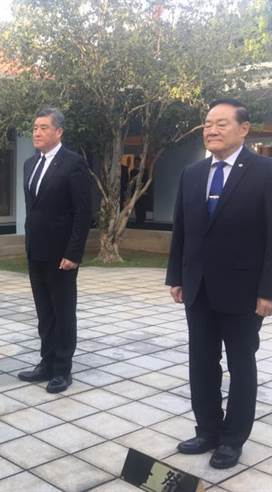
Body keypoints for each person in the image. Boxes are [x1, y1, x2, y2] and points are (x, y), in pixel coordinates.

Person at [166, 98, 272, 469]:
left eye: (221, 123)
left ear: (244, 129)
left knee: (241, 365)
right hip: (198, 287)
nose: (211, 130)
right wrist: (176, 276)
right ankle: (207, 430)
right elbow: (182, 229)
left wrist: (268, 290)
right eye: (208, 124)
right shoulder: (192, 174)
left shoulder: (265, 171)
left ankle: (232, 439)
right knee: (201, 362)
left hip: (244, 291)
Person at [17, 107, 92, 394]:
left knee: (63, 312)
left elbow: (82, 212)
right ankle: (46, 363)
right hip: (36, 250)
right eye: (35, 127)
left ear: (58, 131)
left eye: (43, 127)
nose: (37, 132)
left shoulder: (73, 164)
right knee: (44, 312)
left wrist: (73, 253)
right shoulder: (30, 164)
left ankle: (62, 369)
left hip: (62, 254)